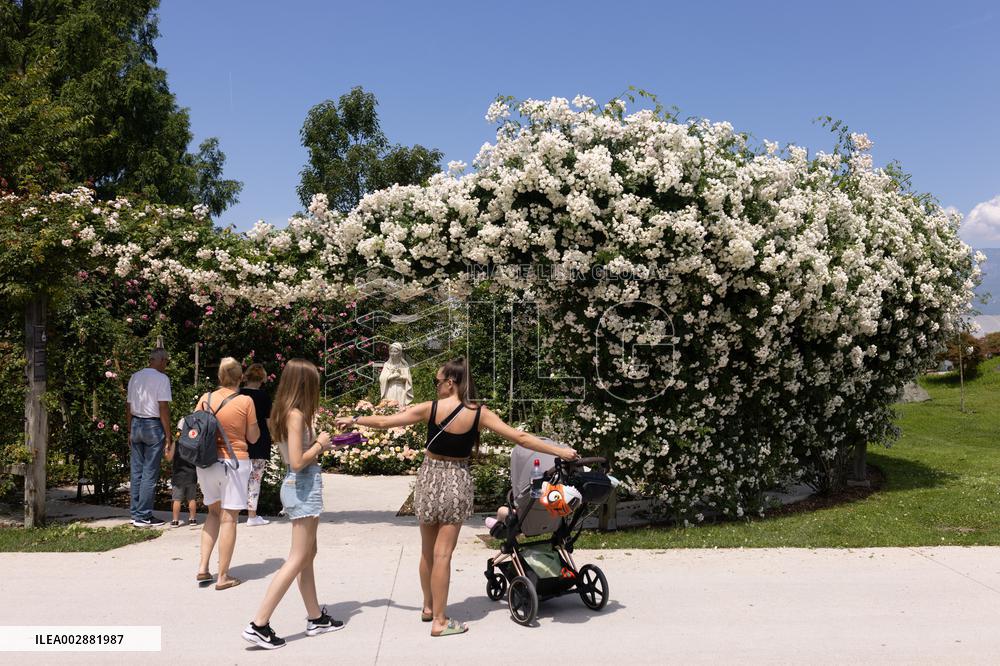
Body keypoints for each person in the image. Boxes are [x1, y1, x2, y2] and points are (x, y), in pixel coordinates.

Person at [335, 357, 577, 637]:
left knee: (427, 551)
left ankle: (429, 607)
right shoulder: (478, 414)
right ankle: (440, 621)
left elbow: (385, 422)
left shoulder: (430, 408)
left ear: (450, 383)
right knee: (443, 554)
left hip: (428, 478)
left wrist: (354, 419)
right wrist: (560, 451)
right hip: (456, 481)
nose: (436, 386)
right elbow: (520, 438)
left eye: (437, 381)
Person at [243, 359, 343, 650]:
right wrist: (320, 444)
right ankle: (259, 624)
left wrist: (321, 445)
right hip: (301, 486)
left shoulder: (287, 412)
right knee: (298, 558)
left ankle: (316, 617)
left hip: (302, 485)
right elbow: (298, 461)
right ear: (304, 385)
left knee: (307, 554)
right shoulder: (296, 415)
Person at [195, 357, 259, 591]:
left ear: (220, 377)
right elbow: (253, 437)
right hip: (234, 462)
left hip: (206, 463)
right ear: (240, 377)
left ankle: (203, 567)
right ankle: (223, 576)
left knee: (213, 513)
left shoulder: (205, 399)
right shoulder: (245, 401)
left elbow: (195, 430)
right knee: (229, 518)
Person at [126, 348, 172, 527]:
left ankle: (135, 513)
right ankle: (144, 515)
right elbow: (163, 407)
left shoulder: (135, 377)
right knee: (149, 472)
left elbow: (128, 405)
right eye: (166, 361)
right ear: (159, 360)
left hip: (136, 423)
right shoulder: (162, 379)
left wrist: (129, 430)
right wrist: (168, 435)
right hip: (153, 425)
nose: (166, 365)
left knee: (136, 471)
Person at [240, 363, 273, 526]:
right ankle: (252, 515)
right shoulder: (264, 396)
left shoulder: (238, 394)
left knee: (237, 478)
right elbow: (268, 421)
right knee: (255, 478)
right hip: (260, 440)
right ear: (262, 379)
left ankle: (231, 512)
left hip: (239, 440)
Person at [169, 443, 199, 528]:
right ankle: (192, 519)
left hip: (178, 476)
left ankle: (175, 521)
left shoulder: (176, 443)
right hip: (191, 475)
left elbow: (169, 458)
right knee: (192, 499)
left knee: (177, 500)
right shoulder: (194, 443)